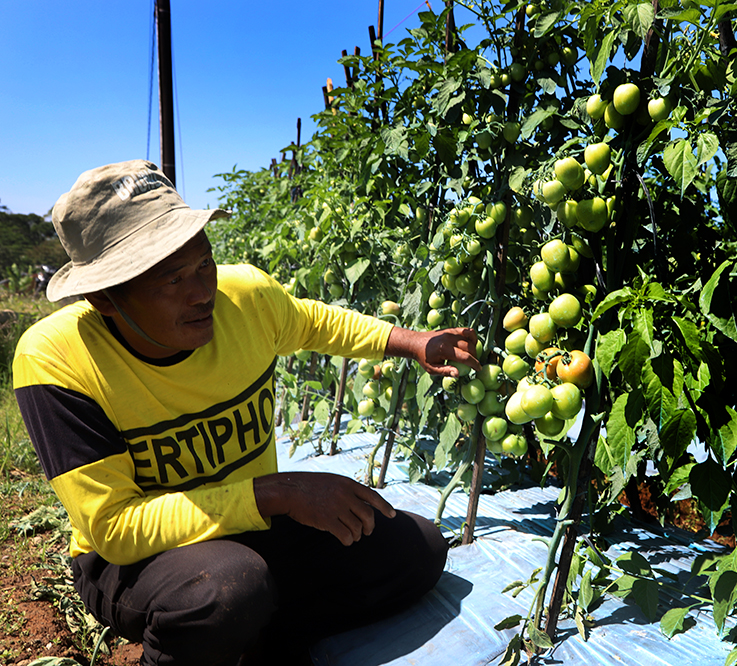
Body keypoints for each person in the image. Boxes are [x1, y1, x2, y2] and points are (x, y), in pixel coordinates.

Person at [12, 160, 481, 665]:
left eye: (204, 265)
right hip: (139, 562)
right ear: (104, 299)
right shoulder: (58, 360)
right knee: (225, 591)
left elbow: (313, 322)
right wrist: (279, 492)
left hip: (251, 528)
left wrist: (413, 342)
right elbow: (116, 529)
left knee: (418, 550)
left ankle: (257, 640)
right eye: (172, 281)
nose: (201, 294)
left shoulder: (244, 297)